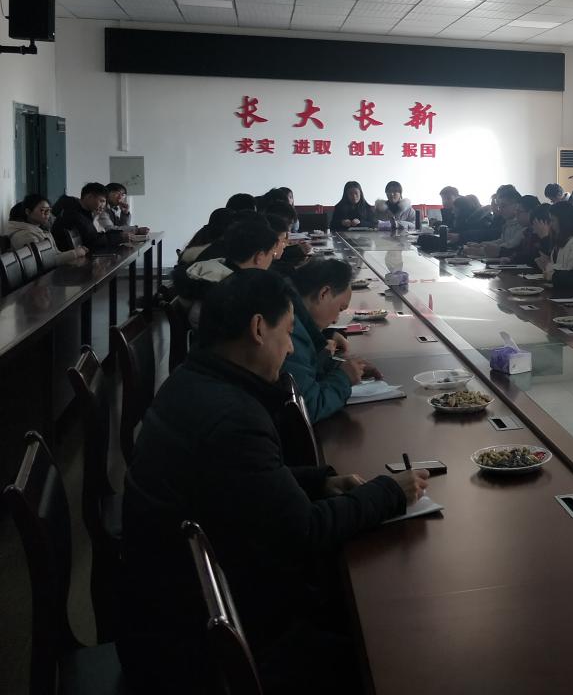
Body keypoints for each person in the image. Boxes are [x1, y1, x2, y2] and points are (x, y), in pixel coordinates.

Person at [117, 269, 427, 695]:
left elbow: (242, 483)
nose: (290, 347)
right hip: (201, 648)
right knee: (390, 644)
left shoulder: (191, 382)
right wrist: (390, 491)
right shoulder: (234, 418)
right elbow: (303, 531)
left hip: (170, 606)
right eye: (287, 332)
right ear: (259, 329)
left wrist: (319, 483)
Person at [284, 258, 372, 421]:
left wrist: (336, 366)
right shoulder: (290, 329)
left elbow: (304, 367)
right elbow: (308, 408)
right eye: (340, 309)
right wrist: (343, 378)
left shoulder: (288, 304)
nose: (336, 319)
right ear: (324, 293)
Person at [178, 216, 284, 324]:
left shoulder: (210, 271)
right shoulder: (235, 295)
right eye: (272, 254)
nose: (272, 260)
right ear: (259, 257)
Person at [3, 193, 87, 264]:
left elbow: (56, 254)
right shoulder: (25, 235)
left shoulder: (40, 229)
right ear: (28, 212)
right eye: (43, 210)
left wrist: (75, 252)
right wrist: (75, 253)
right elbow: (46, 262)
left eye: (49, 210)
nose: (48, 214)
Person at [53, 181, 123, 252]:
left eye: (104, 202)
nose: (103, 205)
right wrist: (120, 237)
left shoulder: (84, 211)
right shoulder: (74, 212)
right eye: (101, 201)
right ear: (89, 197)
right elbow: (93, 241)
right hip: (69, 255)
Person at [537, 201, 573, 280]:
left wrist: (549, 265)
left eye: (553, 220)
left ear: (564, 221)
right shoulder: (564, 239)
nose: (551, 225)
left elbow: (570, 273)